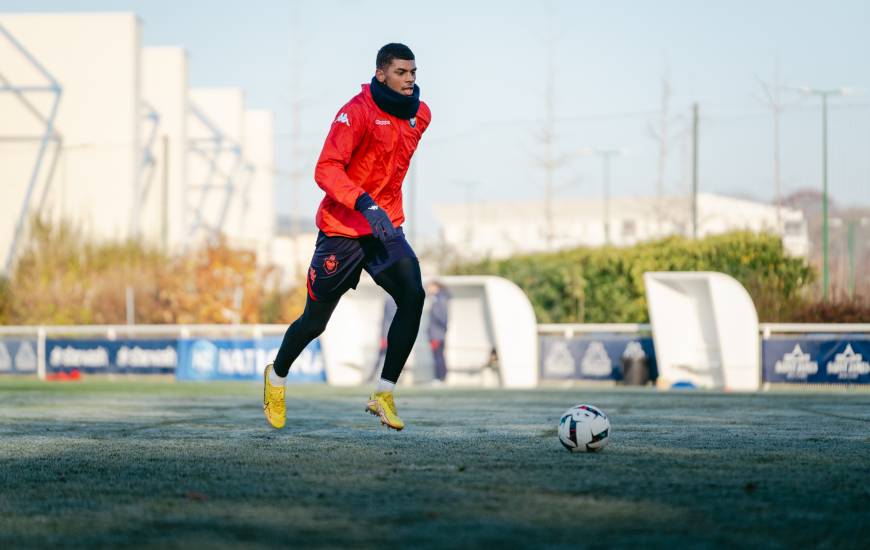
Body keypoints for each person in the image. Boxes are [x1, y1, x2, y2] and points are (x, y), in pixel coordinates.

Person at [262, 43, 431, 431]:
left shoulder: (421, 115)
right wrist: (364, 202)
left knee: (413, 294)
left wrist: (381, 210)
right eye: (401, 73)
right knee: (314, 322)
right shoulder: (354, 113)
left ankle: (384, 393)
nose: (409, 80)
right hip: (343, 230)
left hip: (384, 227)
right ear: (380, 74)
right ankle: (277, 375)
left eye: (413, 73)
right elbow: (325, 169)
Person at [427, 281, 450, 383]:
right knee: (439, 355)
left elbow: (442, 317)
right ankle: (441, 377)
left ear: (436, 287)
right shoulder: (439, 298)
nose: (428, 289)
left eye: (430, 287)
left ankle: (440, 378)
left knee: (438, 356)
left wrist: (441, 329)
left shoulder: (439, 299)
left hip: (436, 334)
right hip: (437, 333)